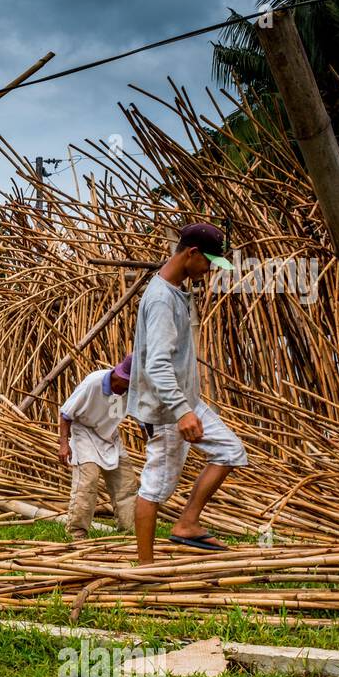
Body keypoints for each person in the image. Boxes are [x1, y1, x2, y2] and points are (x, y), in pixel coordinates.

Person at [127, 223, 248, 564]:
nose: (209, 270)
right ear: (191, 254)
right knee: (155, 487)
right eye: (208, 262)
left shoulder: (174, 290)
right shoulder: (162, 299)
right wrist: (182, 411)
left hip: (184, 402)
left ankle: (187, 524)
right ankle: (146, 567)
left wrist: (188, 405)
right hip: (167, 411)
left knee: (230, 451)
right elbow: (158, 364)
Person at [58, 354, 138, 540]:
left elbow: (143, 420)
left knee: (126, 484)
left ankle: (129, 531)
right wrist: (63, 444)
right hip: (84, 432)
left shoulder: (132, 391)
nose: (124, 387)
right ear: (117, 375)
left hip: (109, 435)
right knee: (87, 482)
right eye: (124, 382)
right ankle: (77, 533)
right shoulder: (93, 383)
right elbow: (66, 414)